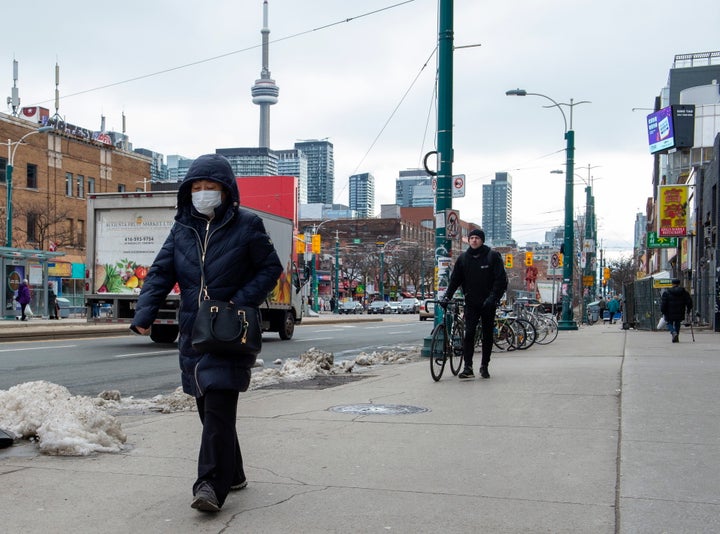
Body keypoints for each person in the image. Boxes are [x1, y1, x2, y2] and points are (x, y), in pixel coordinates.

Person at [130, 154, 282, 513]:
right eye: (196, 188)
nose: (202, 193)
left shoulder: (248, 225)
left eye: (210, 187)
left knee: (217, 405)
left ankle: (210, 485)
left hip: (230, 332)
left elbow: (270, 268)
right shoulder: (182, 228)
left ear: (226, 190)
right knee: (209, 408)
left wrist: (237, 304)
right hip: (194, 332)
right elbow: (159, 273)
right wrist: (144, 313)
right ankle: (234, 473)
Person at [441, 229, 508, 379]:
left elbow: (501, 280)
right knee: (469, 333)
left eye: (477, 238)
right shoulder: (463, 258)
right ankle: (468, 367)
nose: (474, 240)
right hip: (471, 302)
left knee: (487, 335)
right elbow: (455, 280)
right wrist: (447, 296)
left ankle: (484, 366)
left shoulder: (492, 256)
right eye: (471, 238)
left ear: (482, 240)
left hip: (488, 303)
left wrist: (493, 298)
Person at [660, 278, 693, 343]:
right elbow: (689, 302)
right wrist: (689, 309)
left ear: (672, 284)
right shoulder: (684, 292)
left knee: (669, 323)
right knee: (677, 323)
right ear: (679, 284)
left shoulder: (667, 292)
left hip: (669, 311)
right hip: (680, 311)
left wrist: (662, 310)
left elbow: (664, 303)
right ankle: (676, 336)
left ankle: (673, 332)